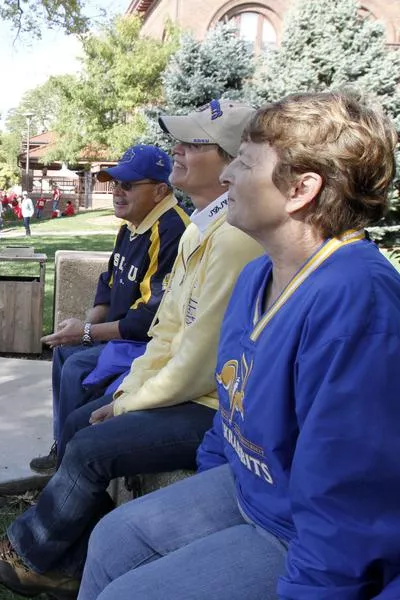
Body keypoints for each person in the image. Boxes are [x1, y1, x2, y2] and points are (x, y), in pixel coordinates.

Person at [80, 92, 400, 599]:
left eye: (247, 164)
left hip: (300, 533)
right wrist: (212, 481)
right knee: (114, 538)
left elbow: (350, 500)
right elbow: (234, 407)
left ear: (300, 189)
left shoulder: (357, 302)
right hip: (249, 488)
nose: (227, 177)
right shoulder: (256, 275)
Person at [0, 101, 265, 599]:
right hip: (182, 388)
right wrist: (130, 388)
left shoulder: (228, 239)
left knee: (90, 439)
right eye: (179, 142)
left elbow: (197, 360)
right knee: (83, 422)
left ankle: (33, 554)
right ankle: (63, 557)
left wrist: (126, 399)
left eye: (193, 144)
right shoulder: (202, 228)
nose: (178, 152)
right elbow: (167, 331)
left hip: (209, 406)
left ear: (231, 160)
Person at [29, 145, 188, 476]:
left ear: (160, 190)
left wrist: (88, 333)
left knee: (75, 369)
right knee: (63, 353)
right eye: (114, 183)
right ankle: (63, 445)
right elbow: (110, 279)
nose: (117, 191)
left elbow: (151, 316)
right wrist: (86, 326)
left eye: (127, 185)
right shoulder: (133, 223)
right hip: (118, 334)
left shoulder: (172, 230)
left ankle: (68, 469)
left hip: (146, 345)